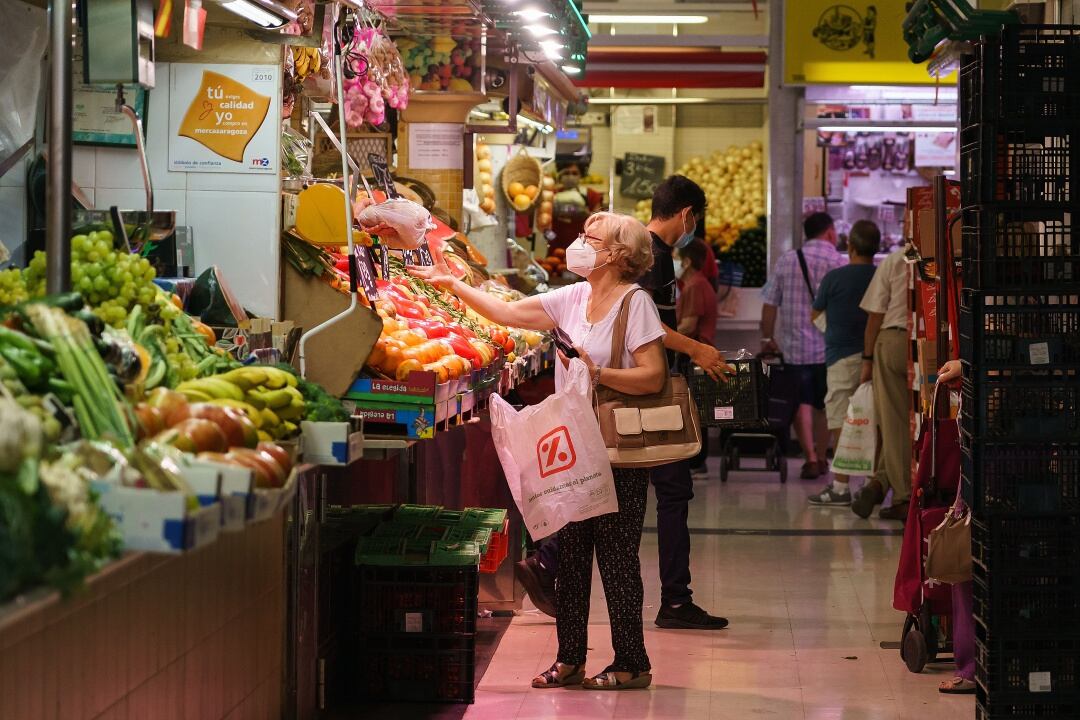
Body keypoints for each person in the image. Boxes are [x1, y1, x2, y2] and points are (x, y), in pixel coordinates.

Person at [411, 212, 665, 690]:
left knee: (616, 559)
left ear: (614, 254)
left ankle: (632, 661)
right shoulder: (574, 297)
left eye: (590, 239)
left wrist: (599, 374)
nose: (578, 245)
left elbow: (653, 375)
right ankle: (569, 659)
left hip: (615, 453)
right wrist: (452, 284)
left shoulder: (636, 305)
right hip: (571, 450)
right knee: (568, 559)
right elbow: (508, 313)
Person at [517, 176, 732, 631]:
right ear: (688, 214)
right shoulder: (643, 259)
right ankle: (666, 599)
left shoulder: (652, 258)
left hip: (627, 397)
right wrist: (694, 348)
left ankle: (561, 577)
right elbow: (646, 329)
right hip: (633, 402)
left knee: (619, 506)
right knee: (645, 501)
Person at [760, 212, 844, 480]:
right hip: (827, 348)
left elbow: (770, 304)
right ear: (830, 232)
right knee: (824, 405)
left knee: (801, 403)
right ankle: (821, 456)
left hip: (794, 349)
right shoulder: (838, 261)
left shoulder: (787, 260)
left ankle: (808, 457)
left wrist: (767, 337)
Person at [807, 220, 880, 506]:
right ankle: (872, 483)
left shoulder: (834, 278)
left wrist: (833, 332)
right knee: (873, 420)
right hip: (874, 359)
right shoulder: (879, 275)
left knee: (840, 420)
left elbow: (815, 313)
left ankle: (840, 486)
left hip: (839, 358)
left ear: (849, 247)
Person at [852, 243, 911, 521]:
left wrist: (866, 358)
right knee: (918, 422)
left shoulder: (895, 260)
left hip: (893, 340)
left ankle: (902, 495)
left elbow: (875, 315)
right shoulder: (946, 257)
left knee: (894, 422)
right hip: (931, 343)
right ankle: (880, 483)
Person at [935, 359, 975, 695]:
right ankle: (971, 666)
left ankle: (971, 667)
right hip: (982, 481)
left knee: (967, 571)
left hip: (982, 484)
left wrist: (967, 367)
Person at [676, 239, 718, 477]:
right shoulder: (696, 284)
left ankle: (696, 462)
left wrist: (661, 336)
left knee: (693, 410)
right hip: (697, 355)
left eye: (677, 257)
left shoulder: (695, 286)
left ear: (688, 261)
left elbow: (688, 325)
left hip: (696, 356)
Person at [549, 156, 605, 252]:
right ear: (560, 175)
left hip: (582, 248)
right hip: (556, 247)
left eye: (575, 173)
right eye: (566, 173)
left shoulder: (592, 195)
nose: (570, 176)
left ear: (580, 175)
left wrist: (587, 214)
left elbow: (598, 225)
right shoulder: (551, 195)